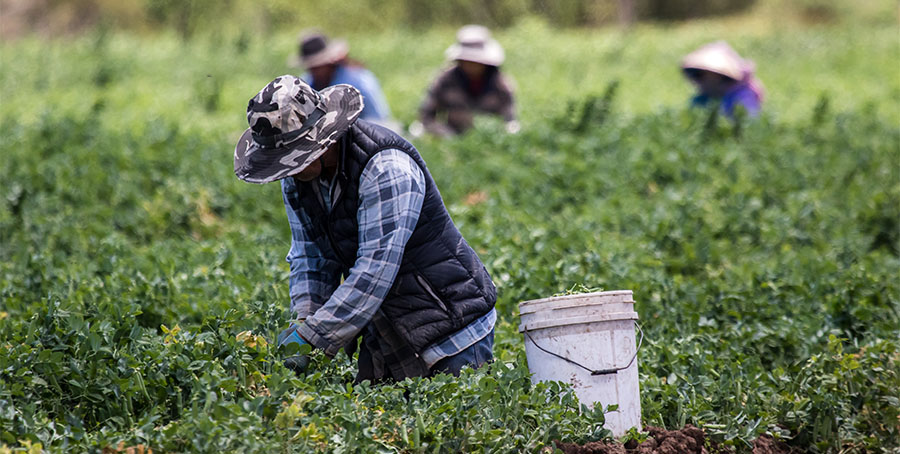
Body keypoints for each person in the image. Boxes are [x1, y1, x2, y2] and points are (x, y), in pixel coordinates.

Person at [233, 75, 497, 382]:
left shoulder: (386, 167)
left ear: (323, 138)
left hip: (450, 325)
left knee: (451, 424)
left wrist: (314, 338)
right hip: (385, 327)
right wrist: (305, 318)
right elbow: (310, 255)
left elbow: (375, 271)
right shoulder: (297, 178)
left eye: (294, 158)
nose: (288, 170)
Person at [414, 25, 519, 137]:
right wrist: (446, 135)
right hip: (451, 136)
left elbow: (510, 120)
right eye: (466, 61)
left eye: (475, 61)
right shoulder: (445, 80)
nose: (471, 65)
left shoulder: (501, 84)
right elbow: (425, 116)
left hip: (488, 138)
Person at [289, 31, 395, 126]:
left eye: (317, 67)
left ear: (329, 62)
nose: (314, 71)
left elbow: (378, 120)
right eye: (311, 67)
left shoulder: (359, 81)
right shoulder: (306, 84)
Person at [681, 41, 764, 119]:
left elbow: (749, 121)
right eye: (697, 74)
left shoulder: (743, 97)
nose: (698, 80)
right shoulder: (703, 98)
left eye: (701, 75)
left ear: (719, 76)